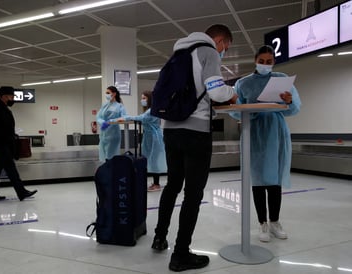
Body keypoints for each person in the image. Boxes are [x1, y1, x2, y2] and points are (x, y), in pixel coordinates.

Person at [151, 24, 238, 272]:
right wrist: (232, 93)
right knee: (193, 193)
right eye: (225, 47)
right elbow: (216, 91)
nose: (223, 52)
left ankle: (159, 237)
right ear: (219, 40)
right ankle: (180, 255)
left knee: (173, 185)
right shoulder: (207, 51)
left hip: (170, 129)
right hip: (196, 131)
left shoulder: (178, 53)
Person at [230, 45, 301, 242]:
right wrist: (252, 112)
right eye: (261, 61)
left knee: (275, 179)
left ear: (274, 62)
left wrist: (288, 101)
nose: (265, 65)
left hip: (276, 132)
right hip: (253, 133)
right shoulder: (243, 83)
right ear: (255, 60)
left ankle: (275, 222)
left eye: (269, 62)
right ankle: (262, 223)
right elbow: (235, 110)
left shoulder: (281, 79)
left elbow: (294, 109)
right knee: (259, 180)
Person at [0, 86, 37, 201]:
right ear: (4, 96)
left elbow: (2, 127)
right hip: (0, 144)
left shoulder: (3, 108)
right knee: (11, 169)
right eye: (12, 96)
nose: (13, 99)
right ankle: (21, 192)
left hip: (4, 144)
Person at [117, 90, 167, 192]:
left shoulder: (152, 110)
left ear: (150, 99)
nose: (142, 100)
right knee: (149, 159)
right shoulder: (149, 110)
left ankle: (156, 184)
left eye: (144, 98)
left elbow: (140, 118)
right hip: (149, 137)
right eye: (142, 98)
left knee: (154, 160)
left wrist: (125, 117)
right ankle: (154, 182)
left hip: (154, 138)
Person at [96, 86, 127, 162]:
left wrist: (111, 121)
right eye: (106, 93)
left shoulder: (119, 106)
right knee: (103, 158)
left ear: (114, 94)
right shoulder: (105, 105)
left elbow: (124, 118)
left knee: (111, 158)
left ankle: (113, 173)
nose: (106, 95)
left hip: (113, 135)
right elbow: (98, 116)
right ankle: (105, 173)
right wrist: (103, 122)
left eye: (108, 93)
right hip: (103, 134)